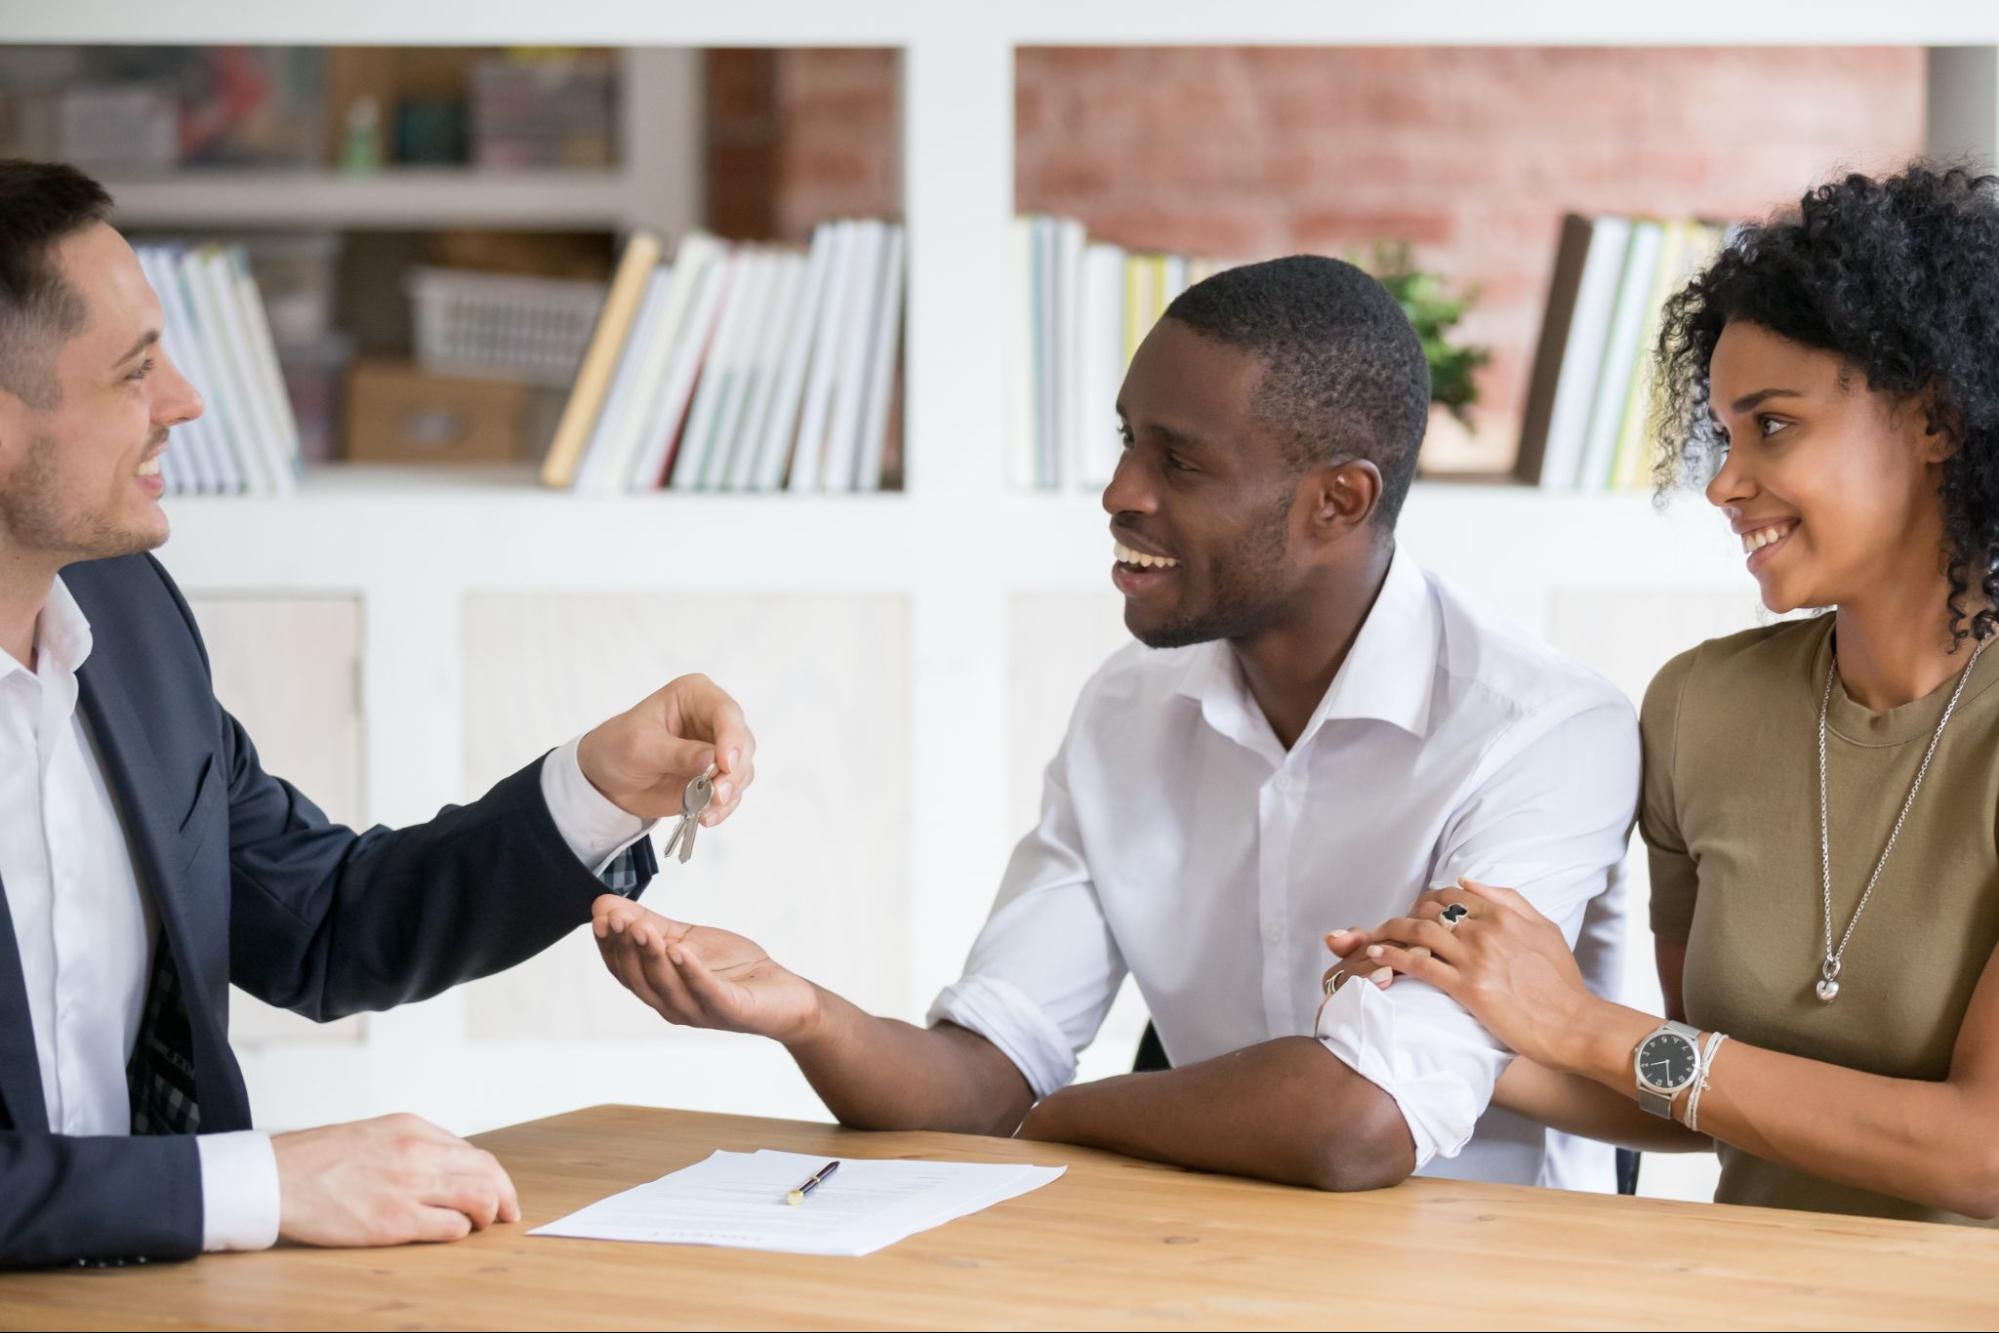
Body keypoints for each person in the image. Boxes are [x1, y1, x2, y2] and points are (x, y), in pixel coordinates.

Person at [591, 254, 1638, 1193]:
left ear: (1338, 501)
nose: (1119, 491)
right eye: (1128, 440)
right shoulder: (1128, 711)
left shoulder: (1540, 735)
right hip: (1195, 1256)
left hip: (1489, 1276)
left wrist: (1053, 1119)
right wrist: (807, 1014)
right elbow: (982, 1074)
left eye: (1178, 463)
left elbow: (1358, 1122)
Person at [0, 159, 758, 1268]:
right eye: (132, 372)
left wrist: (594, 789)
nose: (185, 402)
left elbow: (321, 922)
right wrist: (264, 1179)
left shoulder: (127, 616)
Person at [1326, 164, 1999, 1225]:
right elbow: (1696, 1091)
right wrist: (1449, 1019)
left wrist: (1583, 1021)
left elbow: (1982, 1153)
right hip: (1735, 1291)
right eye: (1722, 434)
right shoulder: (1702, 710)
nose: (1724, 483)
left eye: (1771, 425)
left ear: (1937, 418)